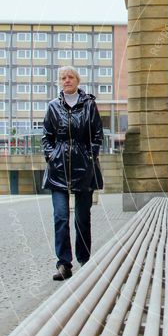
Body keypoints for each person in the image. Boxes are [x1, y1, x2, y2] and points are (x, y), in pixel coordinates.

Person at [42, 66, 104, 280]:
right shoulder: (52, 107)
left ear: (77, 80)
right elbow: (46, 137)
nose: (66, 80)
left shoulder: (88, 104)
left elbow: (97, 133)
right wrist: (51, 155)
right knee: (60, 217)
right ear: (59, 82)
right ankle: (63, 264)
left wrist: (90, 156)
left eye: (70, 77)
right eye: (63, 78)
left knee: (82, 217)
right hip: (57, 168)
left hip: (83, 166)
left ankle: (84, 260)